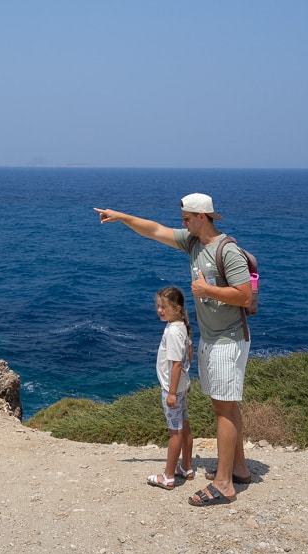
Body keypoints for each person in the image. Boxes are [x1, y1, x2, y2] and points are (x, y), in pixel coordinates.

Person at [95, 192, 253, 507]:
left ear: (202, 217)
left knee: (223, 408)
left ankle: (224, 485)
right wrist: (122, 216)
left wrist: (207, 289)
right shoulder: (193, 243)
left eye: (186, 218)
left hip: (227, 339)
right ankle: (238, 468)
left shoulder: (228, 252)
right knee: (226, 405)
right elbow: (154, 230)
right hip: (211, 338)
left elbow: (245, 296)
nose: (181, 224)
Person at [146, 286, 194, 491]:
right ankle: (186, 467)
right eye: (158, 306)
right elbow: (188, 355)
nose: (159, 310)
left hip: (172, 388)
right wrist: (185, 382)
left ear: (177, 307)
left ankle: (168, 476)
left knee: (174, 432)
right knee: (184, 425)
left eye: (164, 307)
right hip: (182, 385)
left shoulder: (173, 331)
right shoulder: (182, 326)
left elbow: (176, 364)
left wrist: (172, 392)